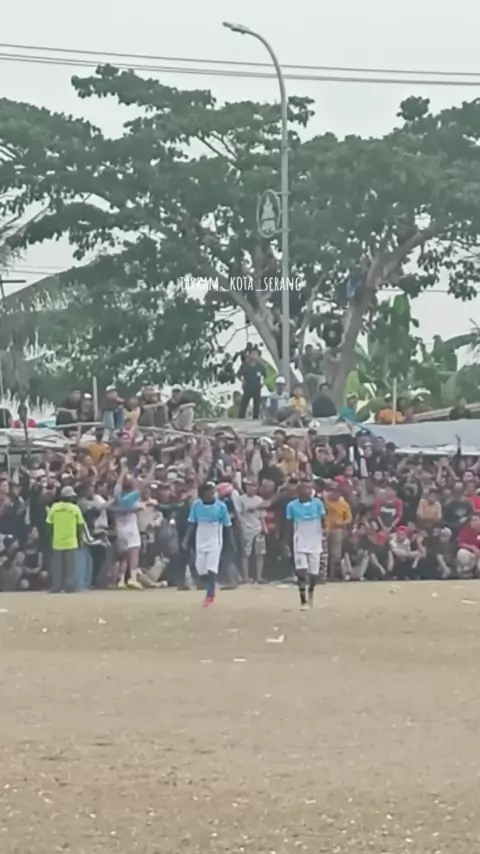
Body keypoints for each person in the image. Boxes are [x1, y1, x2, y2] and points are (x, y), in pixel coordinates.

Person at [183, 482, 233, 606]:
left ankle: (210, 594)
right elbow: (192, 523)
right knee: (201, 569)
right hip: (201, 536)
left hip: (214, 537)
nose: (213, 495)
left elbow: (227, 526)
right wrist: (186, 539)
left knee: (211, 567)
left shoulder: (221, 506)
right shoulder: (196, 505)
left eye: (214, 492)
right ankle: (210, 582)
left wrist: (232, 542)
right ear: (203, 495)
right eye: (210, 492)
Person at [285, 479, 326, 610]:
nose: (307, 491)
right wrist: (286, 542)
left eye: (309, 488)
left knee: (313, 574)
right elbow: (288, 525)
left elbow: (323, 520)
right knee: (301, 572)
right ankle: (303, 600)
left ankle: (311, 592)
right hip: (299, 542)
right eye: (304, 488)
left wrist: (324, 534)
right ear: (298, 491)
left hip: (315, 542)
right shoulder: (291, 506)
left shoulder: (318, 504)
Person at [46, 485, 84, 593]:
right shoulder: (75, 508)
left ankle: (56, 587)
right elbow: (80, 525)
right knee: (70, 567)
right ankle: (69, 587)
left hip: (57, 541)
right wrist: (80, 539)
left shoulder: (54, 507)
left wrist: (51, 537)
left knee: (57, 567)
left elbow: (49, 524)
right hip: (71, 541)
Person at [237, 347, 266, 420]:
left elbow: (265, 376)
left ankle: (256, 419)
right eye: (252, 354)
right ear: (249, 355)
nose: (254, 356)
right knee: (244, 404)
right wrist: (242, 381)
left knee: (256, 405)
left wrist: (263, 383)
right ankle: (240, 419)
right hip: (247, 387)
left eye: (256, 354)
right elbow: (238, 375)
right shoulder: (245, 366)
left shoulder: (260, 366)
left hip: (257, 388)